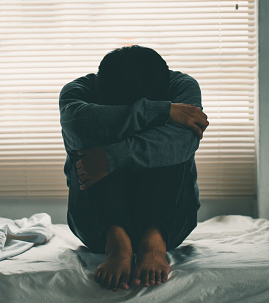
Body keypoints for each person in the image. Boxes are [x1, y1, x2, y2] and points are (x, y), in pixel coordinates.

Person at [59, 45, 209, 291]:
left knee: (170, 144)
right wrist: (162, 111)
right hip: (96, 226)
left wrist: (113, 156)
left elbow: (184, 140)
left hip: (171, 222)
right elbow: (78, 123)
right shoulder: (79, 92)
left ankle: (154, 241)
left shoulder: (181, 86)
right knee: (94, 134)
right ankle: (117, 242)